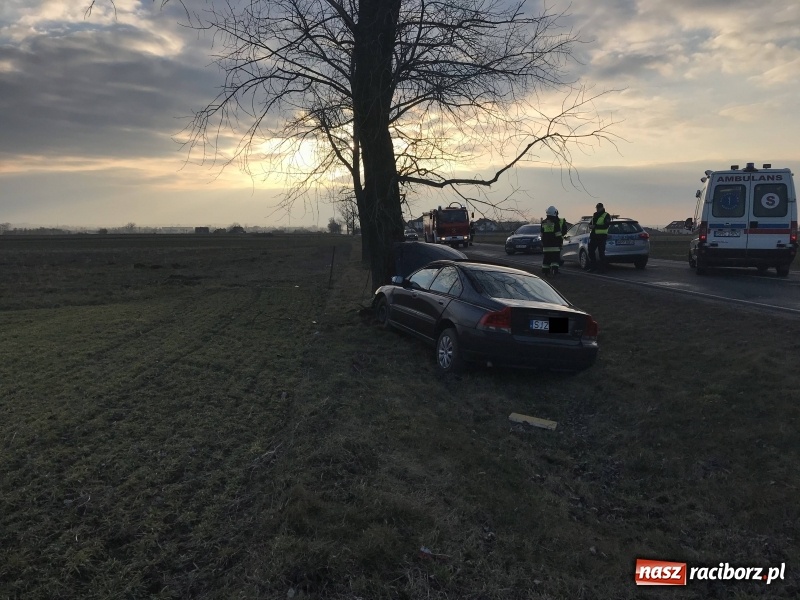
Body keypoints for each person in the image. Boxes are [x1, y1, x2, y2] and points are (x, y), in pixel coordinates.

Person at [541, 206, 567, 276]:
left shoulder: (543, 222)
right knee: (555, 259)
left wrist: (542, 243)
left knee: (546, 259)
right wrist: (560, 242)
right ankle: (554, 271)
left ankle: (545, 272)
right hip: (555, 245)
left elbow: (542, 234)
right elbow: (558, 234)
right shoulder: (556, 222)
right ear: (554, 213)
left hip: (546, 246)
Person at [587, 202, 611, 272]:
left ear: (602, 208)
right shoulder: (595, 215)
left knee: (601, 253)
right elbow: (591, 223)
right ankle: (593, 267)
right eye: (597, 208)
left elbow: (606, 225)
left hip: (602, 236)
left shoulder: (606, 215)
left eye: (598, 208)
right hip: (594, 236)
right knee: (591, 251)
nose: (597, 209)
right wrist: (590, 225)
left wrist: (595, 226)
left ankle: (602, 269)